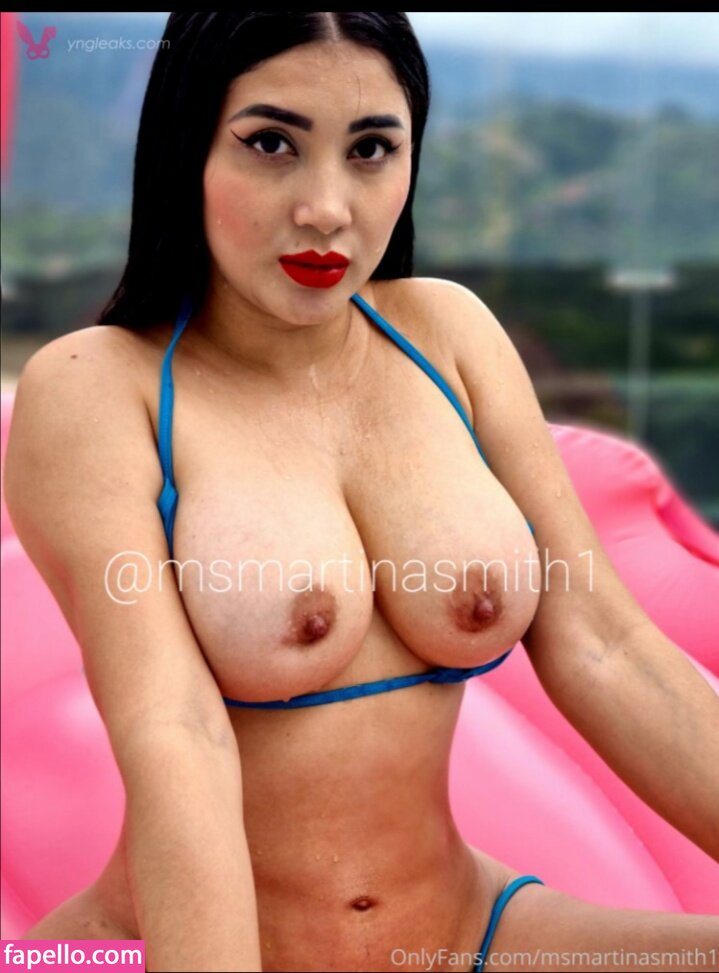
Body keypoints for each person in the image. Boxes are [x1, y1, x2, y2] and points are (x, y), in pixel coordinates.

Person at [4, 12, 718, 972]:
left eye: (371, 149)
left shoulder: (450, 334)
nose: (326, 208)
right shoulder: (97, 386)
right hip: (181, 947)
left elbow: (607, 647)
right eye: (271, 144)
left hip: (468, 934)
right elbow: (178, 735)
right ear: (186, 147)